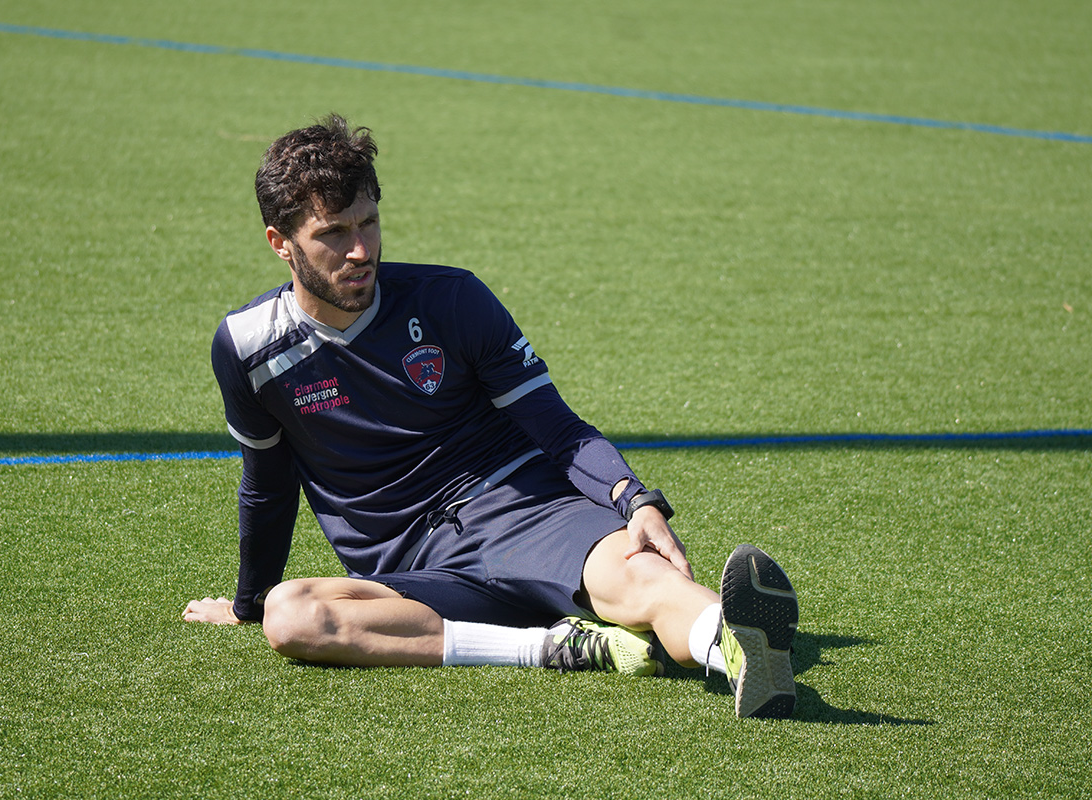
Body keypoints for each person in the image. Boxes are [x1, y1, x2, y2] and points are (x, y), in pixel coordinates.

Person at [183, 114, 799, 718]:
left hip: (523, 514)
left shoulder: (452, 300)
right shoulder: (248, 348)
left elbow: (557, 427)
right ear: (280, 244)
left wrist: (632, 498)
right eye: (333, 233)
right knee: (290, 614)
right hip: (405, 568)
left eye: (369, 222)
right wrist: (247, 603)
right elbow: (267, 484)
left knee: (639, 577)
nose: (360, 250)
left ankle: (737, 647)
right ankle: (562, 647)